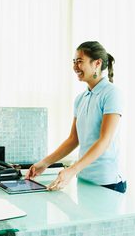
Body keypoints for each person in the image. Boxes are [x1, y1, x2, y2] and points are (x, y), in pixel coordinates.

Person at [27, 41, 126, 193]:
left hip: (107, 181)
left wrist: (72, 170)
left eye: (80, 61)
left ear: (97, 63)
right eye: (74, 62)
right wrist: (44, 163)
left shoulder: (111, 94)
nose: (75, 67)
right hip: (84, 178)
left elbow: (104, 140)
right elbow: (73, 139)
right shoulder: (80, 99)